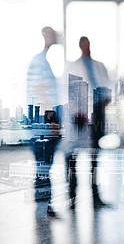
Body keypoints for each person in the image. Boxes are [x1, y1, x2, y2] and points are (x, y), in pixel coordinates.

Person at [64, 36, 111, 208]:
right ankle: (72, 196)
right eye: (83, 45)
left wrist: (105, 103)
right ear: (79, 46)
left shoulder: (99, 66)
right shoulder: (72, 66)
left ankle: (95, 196)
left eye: (88, 44)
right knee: (73, 157)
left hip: (97, 114)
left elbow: (106, 87)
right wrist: (78, 112)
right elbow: (68, 90)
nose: (86, 47)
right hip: (79, 116)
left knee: (95, 157)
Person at [26, 26, 61, 216]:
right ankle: (43, 207)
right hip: (43, 125)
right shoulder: (40, 62)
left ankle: (43, 206)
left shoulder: (42, 61)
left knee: (43, 166)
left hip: (41, 124)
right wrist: (51, 120)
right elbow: (40, 91)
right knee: (43, 166)